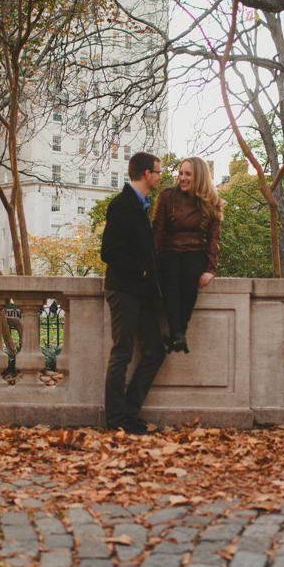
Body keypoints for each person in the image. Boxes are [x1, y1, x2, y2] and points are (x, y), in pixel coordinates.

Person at [100, 152, 166, 435]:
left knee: (155, 350)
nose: (161, 177)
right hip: (124, 290)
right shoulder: (122, 205)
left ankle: (128, 413)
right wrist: (140, 272)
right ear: (145, 174)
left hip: (142, 293)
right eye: (158, 172)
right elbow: (109, 252)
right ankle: (116, 421)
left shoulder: (142, 206)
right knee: (122, 354)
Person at [152, 156, 223, 354]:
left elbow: (213, 238)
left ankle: (177, 334)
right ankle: (178, 334)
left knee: (192, 274)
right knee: (170, 274)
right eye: (181, 173)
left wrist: (210, 269)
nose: (182, 178)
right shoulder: (167, 195)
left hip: (195, 251)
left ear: (199, 177)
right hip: (168, 249)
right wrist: (150, 262)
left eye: (188, 174)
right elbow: (157, 230)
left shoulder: (211, 200)